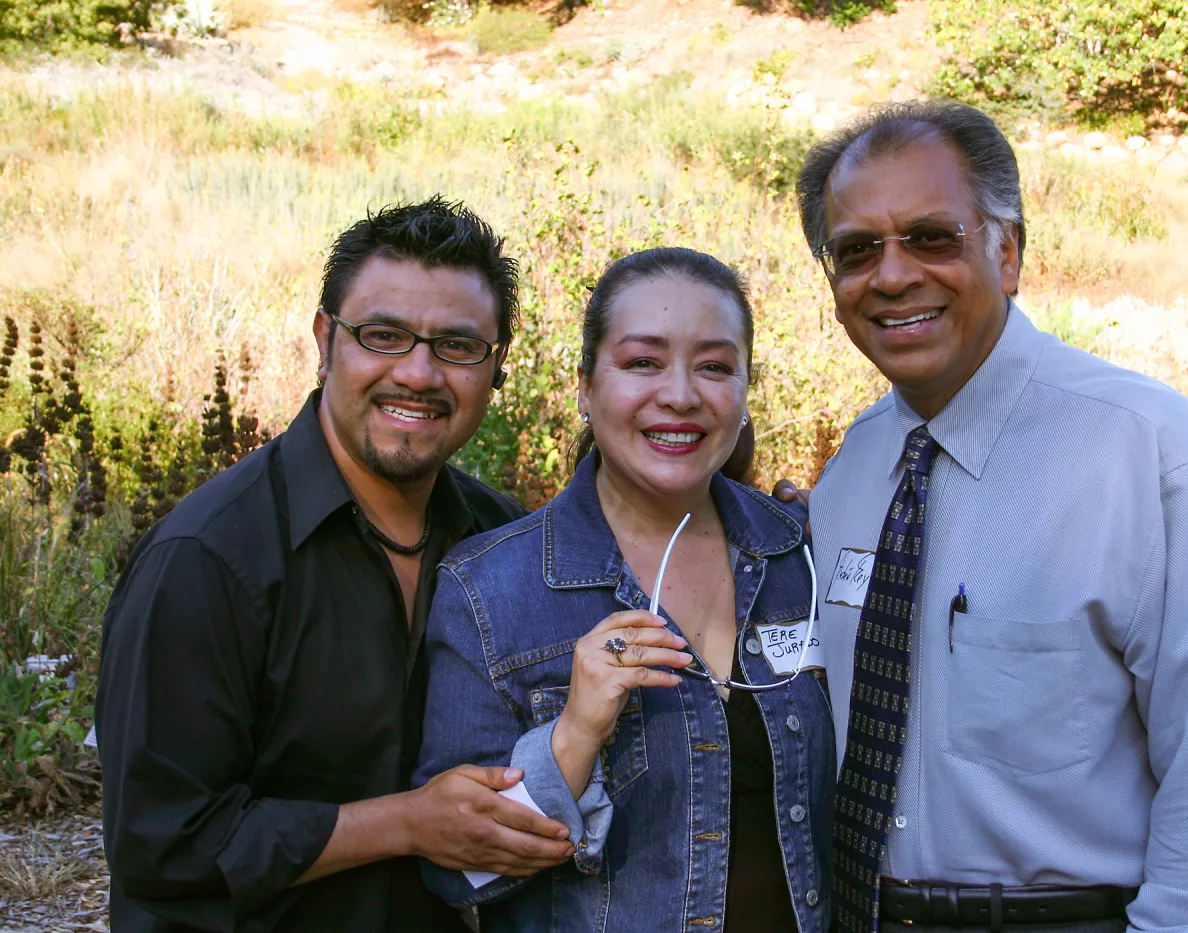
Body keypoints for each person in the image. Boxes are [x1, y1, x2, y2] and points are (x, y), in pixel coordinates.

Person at [789, 101, 1188, 933]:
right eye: (856, 251)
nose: (890, 275)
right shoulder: (852, 472)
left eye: (930, 236)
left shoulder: (1148, 456)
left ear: (1009, 250)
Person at [96, 197, 577, 933]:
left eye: (456, 345)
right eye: (383, 335)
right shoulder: (206, 561)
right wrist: (408, 823)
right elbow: (165, 843)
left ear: (496, 366)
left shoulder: (502, 537)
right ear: (326, 341)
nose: (418, 373)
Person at [414, 247, 835, 933]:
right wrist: (575, 735)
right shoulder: (489, 591)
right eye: (643, 362)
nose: (680, 393)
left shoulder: (802, 555)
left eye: (715, 365)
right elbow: (459, 874)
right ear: (585, 385)